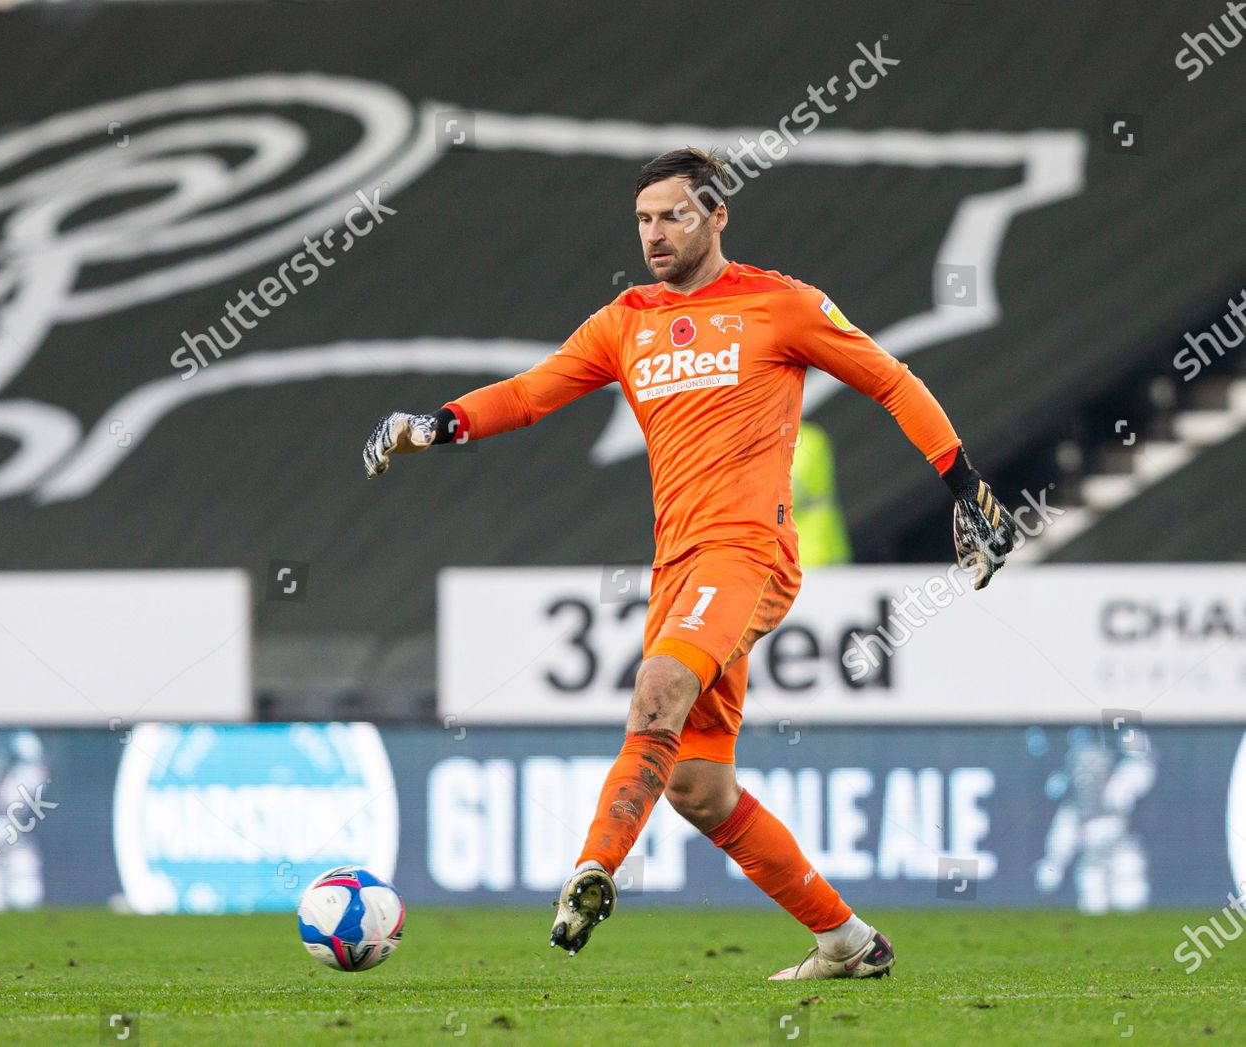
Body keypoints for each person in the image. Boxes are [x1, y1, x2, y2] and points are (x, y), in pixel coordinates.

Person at [362, 147, 1015, 979]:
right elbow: (530, 394)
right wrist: (436, 422)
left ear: (717, 215)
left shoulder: (781, 304)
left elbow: (891, 380)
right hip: (680, 566)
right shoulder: (624, 320)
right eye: (642, 219)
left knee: (657, 691)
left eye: (673, 214)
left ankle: (591, 869)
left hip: (749, 551)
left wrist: (966, 486)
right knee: (699, 785)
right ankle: (847, 940)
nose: (655, 233)